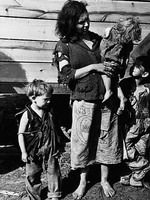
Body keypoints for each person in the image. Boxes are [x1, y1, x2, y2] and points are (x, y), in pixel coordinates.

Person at [53, 0, 124, 198]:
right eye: (80, 22)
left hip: (105, 98)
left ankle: (104, 179)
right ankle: (83, 181)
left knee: (106, 139)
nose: (86, 25)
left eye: (87, 20)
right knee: (84, 141)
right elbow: (66, 74)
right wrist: (94, 67)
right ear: (69, 23)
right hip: (83, 99)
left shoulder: (98, 40)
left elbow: (112, 64)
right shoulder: (64, 46)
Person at [18, 79, 62, 200]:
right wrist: (24, 152)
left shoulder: (49, 111)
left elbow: (56, 128)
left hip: (50, 147)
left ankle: (54, 194)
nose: (49, 101)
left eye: (49, 98)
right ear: (33, 98)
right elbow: (20, 133)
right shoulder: (27, 114)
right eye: (45, 99)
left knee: (54, 172)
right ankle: (34, 196)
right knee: (32, 175)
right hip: (33, 150)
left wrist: (59, 144)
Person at [119, 56, 150, 187]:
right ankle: (143, 168)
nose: (134, 67)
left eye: (138, 66)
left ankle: (137, 176)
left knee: (142, 147)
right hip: (130, 123)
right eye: (134, 65)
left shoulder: (148, 87)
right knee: (127, 148)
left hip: (145, 123)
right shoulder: (125, 84)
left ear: (145, 73)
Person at [100, 17, 141, 102]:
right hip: (108, 59)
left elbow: (126, 57)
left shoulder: (128, 43)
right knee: (113, 80)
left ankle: (108, 91)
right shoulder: (111, 31)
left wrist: (123, 69)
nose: (128, 38)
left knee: (106, 73)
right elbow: (105, 37)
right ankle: (121, 97)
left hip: (112, 62)